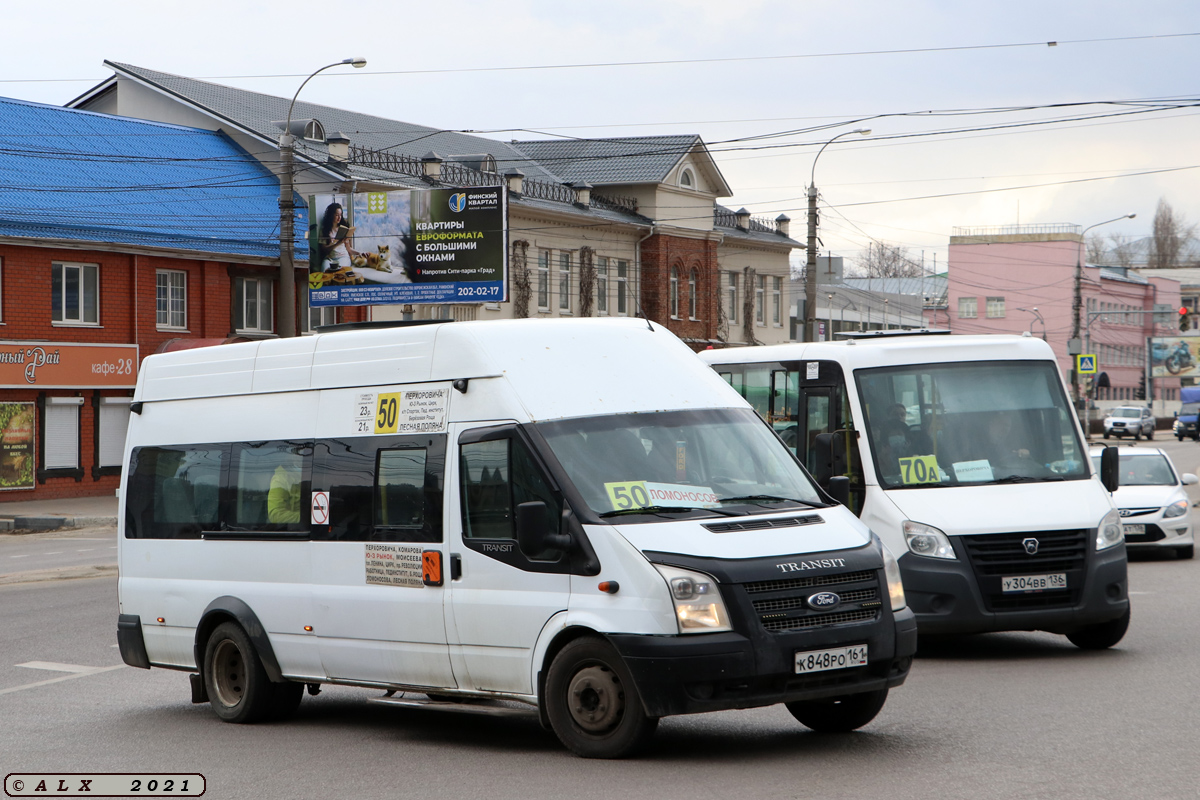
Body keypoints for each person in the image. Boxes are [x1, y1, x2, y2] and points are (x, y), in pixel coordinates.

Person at [318, 202, 358, 272]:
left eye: (341, 215)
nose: (339, 217)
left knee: (339, 272)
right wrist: (338, 243)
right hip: (329, 258)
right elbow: (324, 250)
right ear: (331, 215)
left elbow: (349, 249)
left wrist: (359, 253)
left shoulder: (343, 229)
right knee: (325, 272)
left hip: (343, 257)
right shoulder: (324, 230)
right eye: (337, 215)